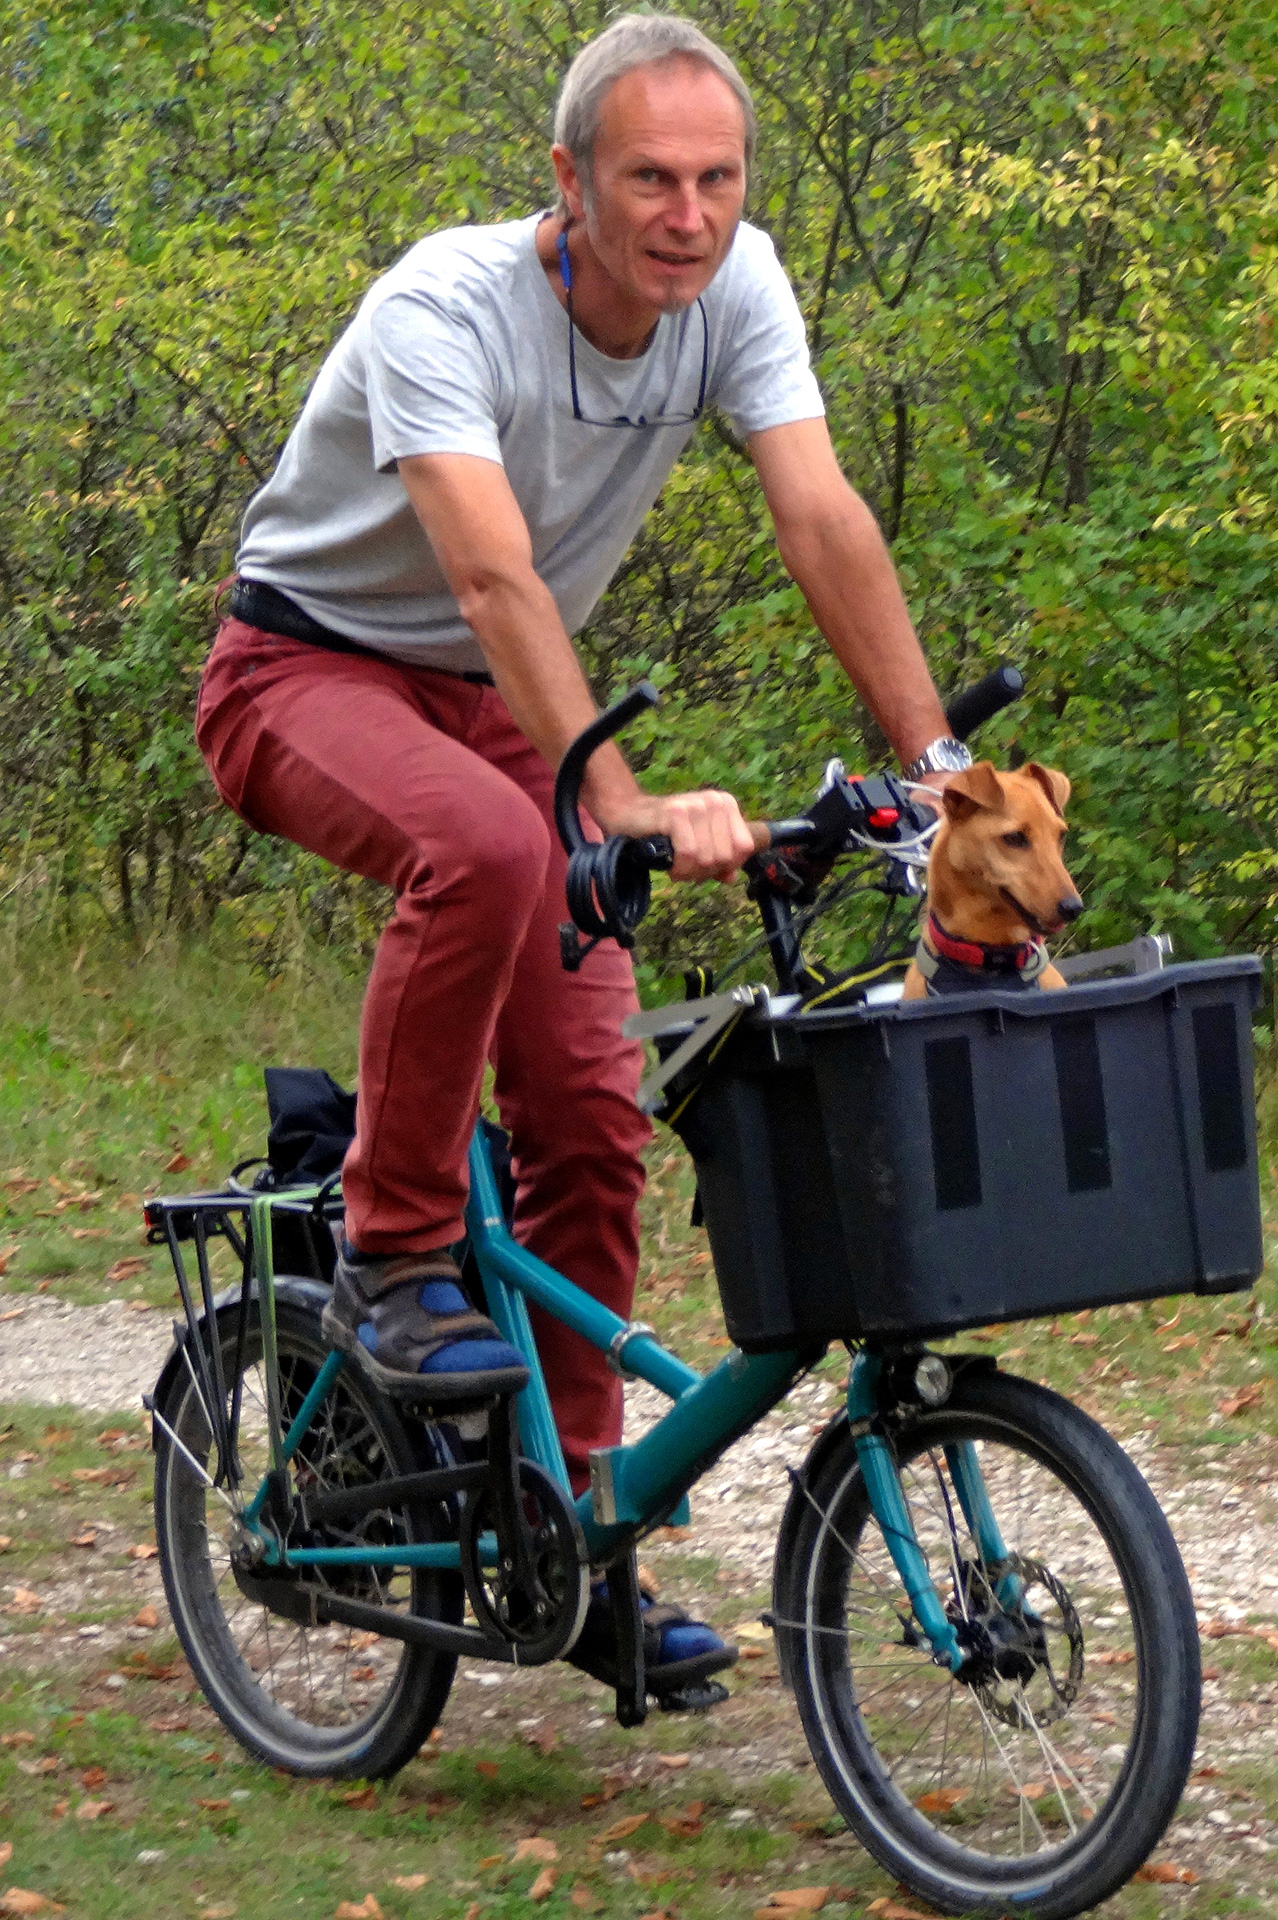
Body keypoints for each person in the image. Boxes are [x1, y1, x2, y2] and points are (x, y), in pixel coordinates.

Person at [195, 11, 971, 1705]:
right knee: (484, 848)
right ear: (568, 180)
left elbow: (820, 515)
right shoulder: (443, 304)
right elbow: (488, 579)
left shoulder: (735, 290)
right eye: (647, 179)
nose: (686, 213)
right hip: (303, 669)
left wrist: (935, 773)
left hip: (495, 703)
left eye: (714, 178)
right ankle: (394, 1252)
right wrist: (609, 797)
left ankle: (567, 1536)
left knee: (595, 1122)